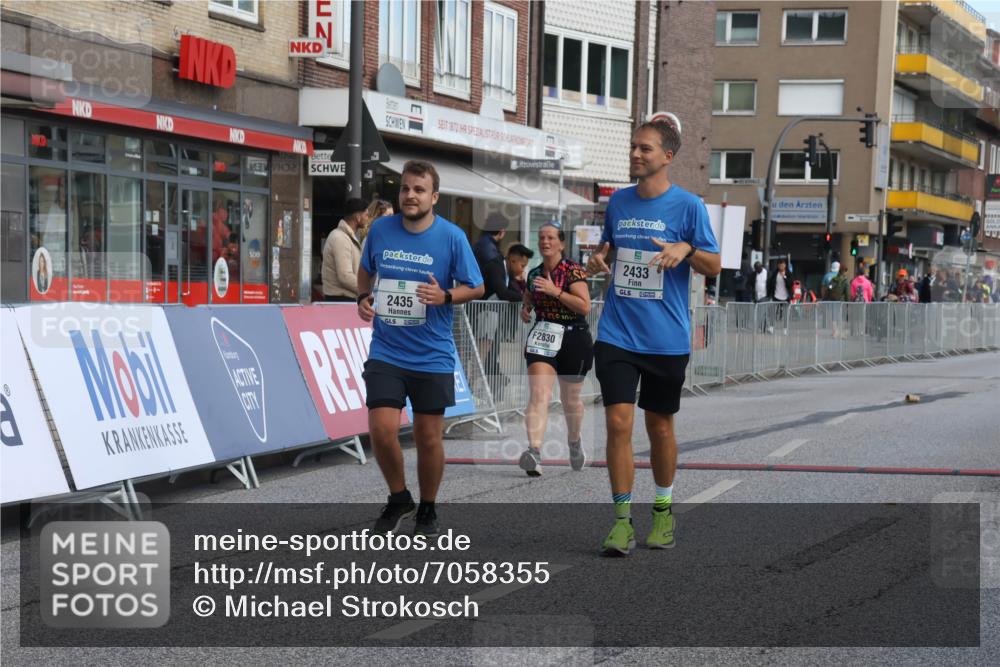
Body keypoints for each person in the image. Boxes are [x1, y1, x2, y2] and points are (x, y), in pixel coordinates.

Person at [586, 120, 721, 555]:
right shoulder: (618, 203)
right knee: (617, 422)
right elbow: (607, 251)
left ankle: (662, 511)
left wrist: (687, 249)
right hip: (617, 333)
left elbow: (715, 266)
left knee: (659, 425)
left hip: (665, 338)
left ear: (667, 156)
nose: (635, 154)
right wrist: (597, 262)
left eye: (645, 148)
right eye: (633, 147)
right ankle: (622, 521)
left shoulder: (688, 207)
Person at [357, 161, 484, 536]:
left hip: (432, 354)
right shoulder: (380, 229)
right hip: (387, 351)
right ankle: (399, 497)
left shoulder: (452, 237)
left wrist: (444, 295)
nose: (410, 195)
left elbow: (476, 287)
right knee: (381, 430)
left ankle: (428, 506)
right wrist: (363, 296)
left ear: (435, 197)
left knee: (429, 438)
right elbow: (366, 270)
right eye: (405, 189)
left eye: (419, 190)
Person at [517, 223, 593, 477]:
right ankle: (534, 452)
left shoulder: (572, 270)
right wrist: (526, 308)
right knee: (539, 393)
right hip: (544, 337)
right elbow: (529, 296)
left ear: (561, 243)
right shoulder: (534, 273)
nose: (545, 241)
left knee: (571, 400)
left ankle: (574, 441)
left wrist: (555, 291)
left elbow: (584, 306)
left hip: (573, 337)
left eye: (550, 237)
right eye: (541, 237)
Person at [322, 198, 368, 302]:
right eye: (366, 215)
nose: (367, 218)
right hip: (340, 300)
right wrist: (366, 291)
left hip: (344, 299)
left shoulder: (346, 237)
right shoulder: (340, 238)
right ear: (358, 217)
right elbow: (345, 276)